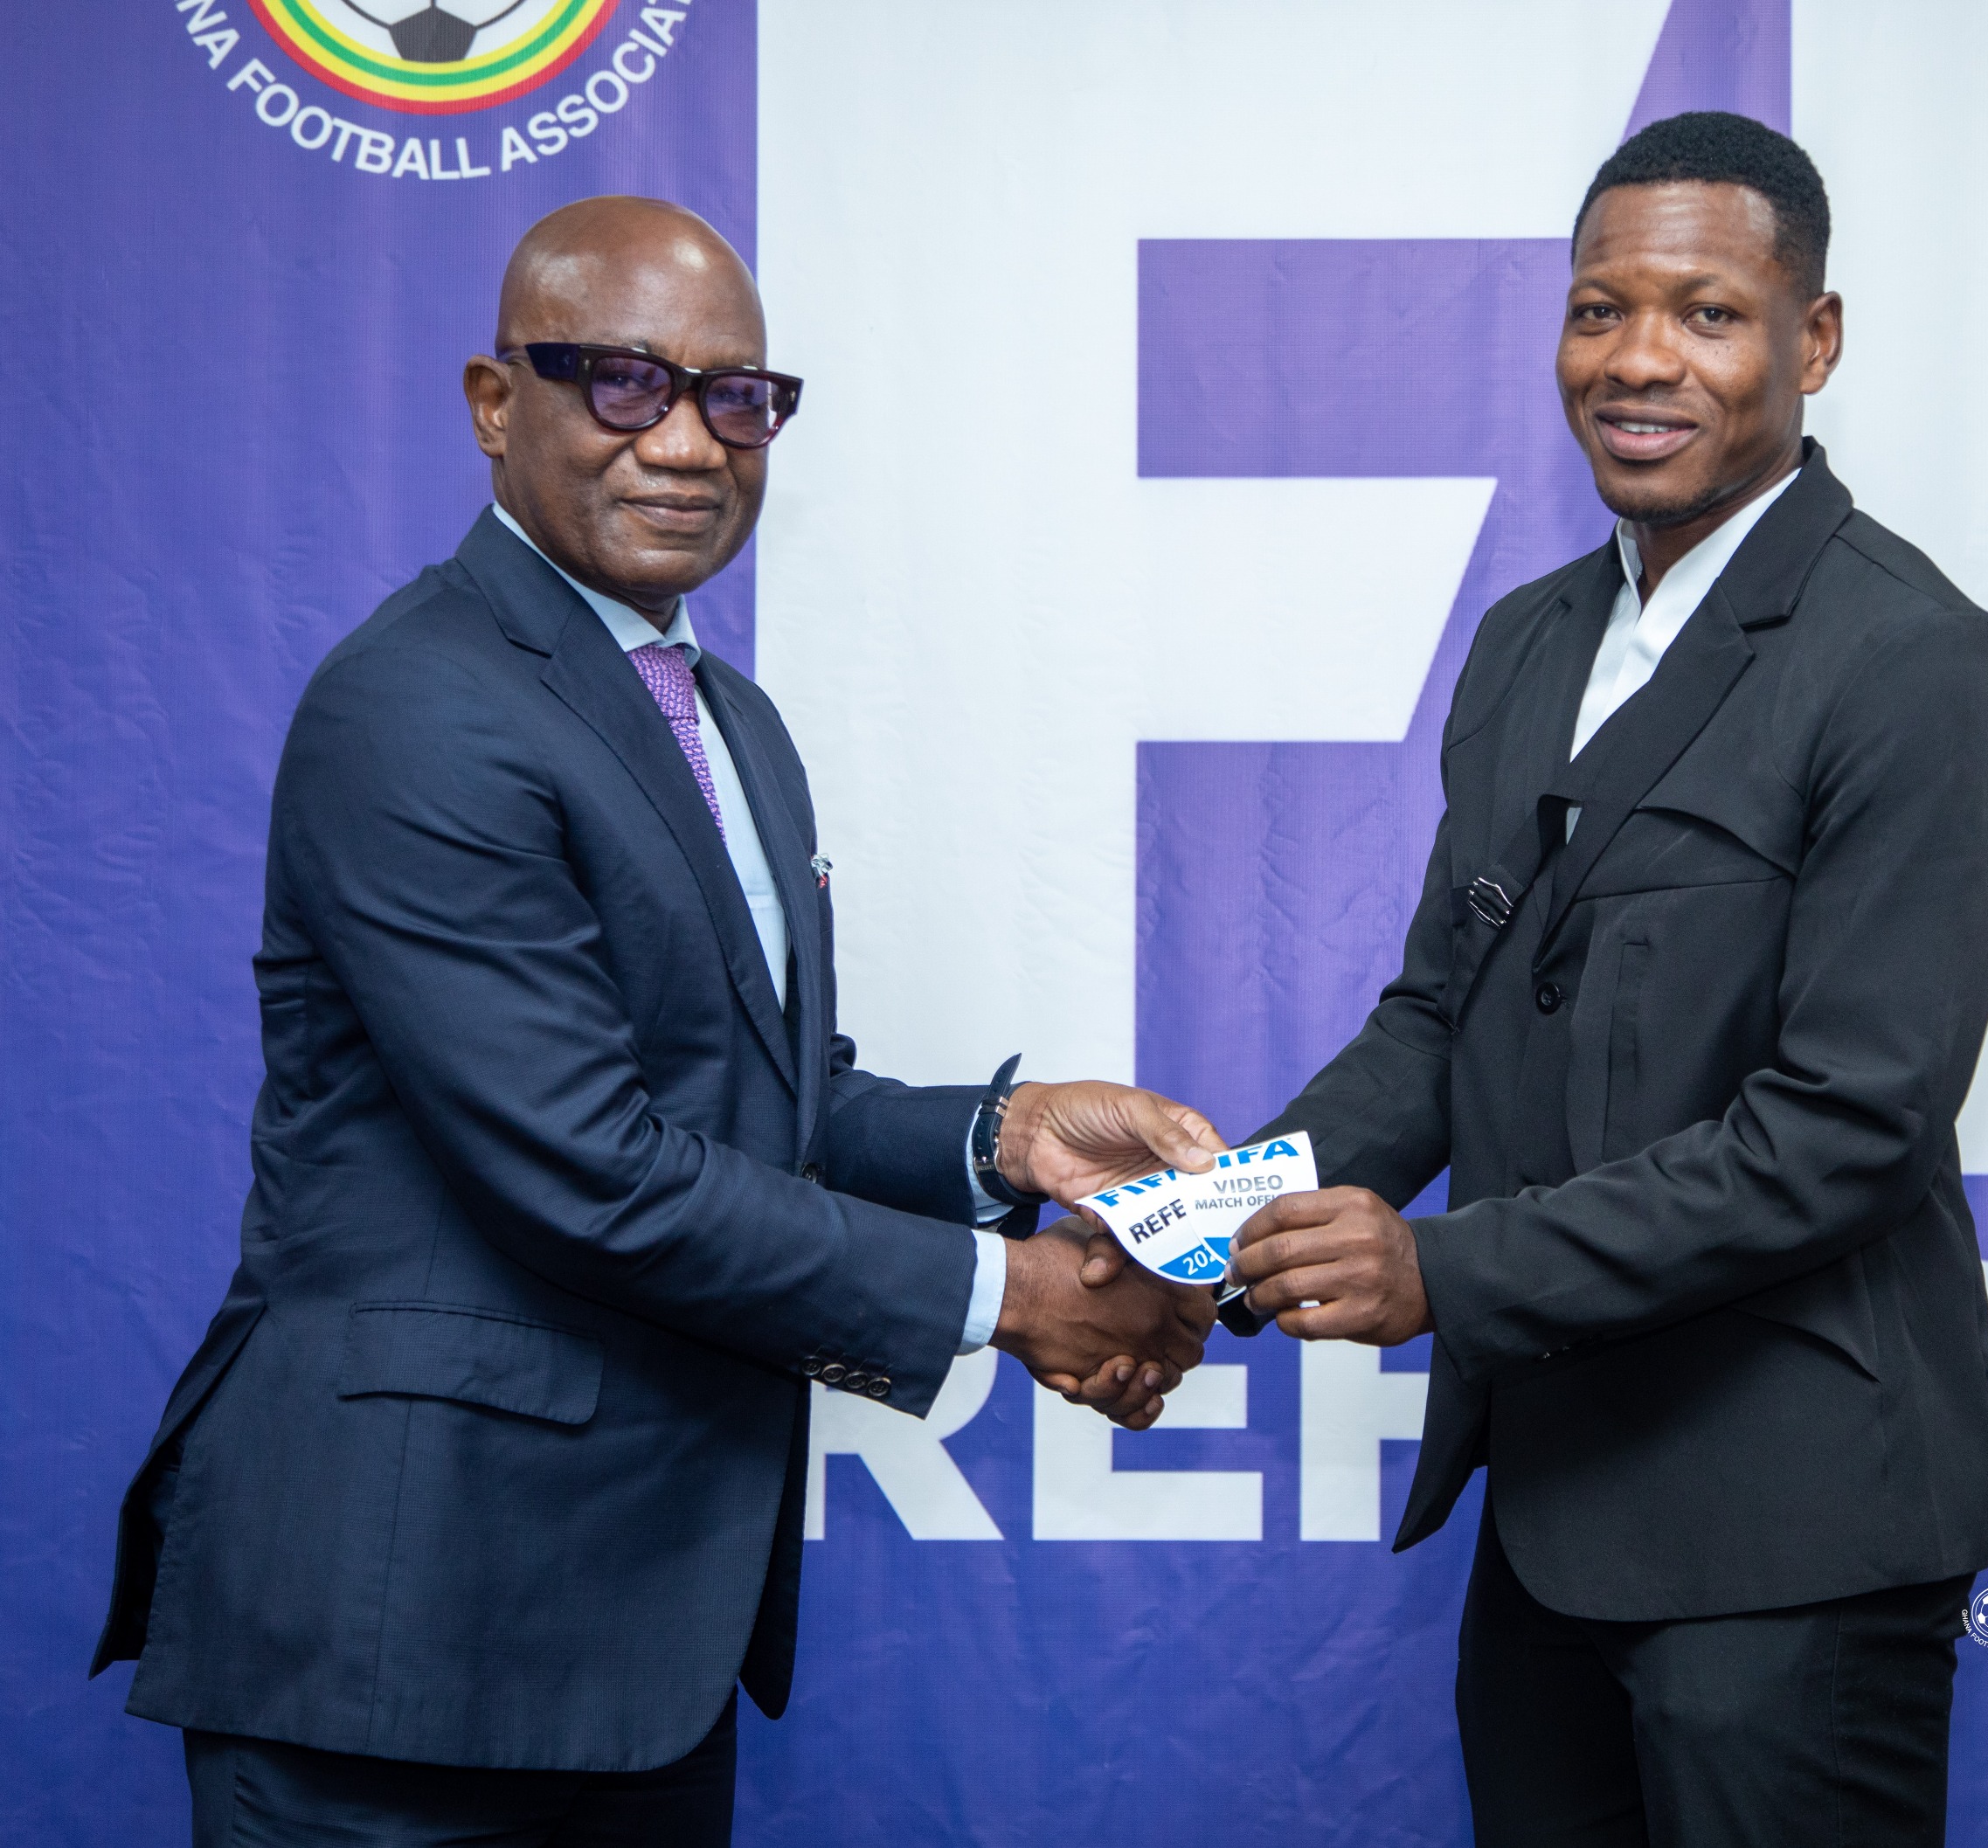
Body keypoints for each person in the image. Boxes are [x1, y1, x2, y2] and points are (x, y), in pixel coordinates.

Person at [90, 195, 1217, 1845]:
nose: (687, 443)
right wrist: (1014, 1295)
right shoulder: (417, 704)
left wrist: (1007, 1139)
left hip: (636, 1646)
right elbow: (593, 1167)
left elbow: (750, 1098)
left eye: (737, 399)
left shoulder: (725, 720)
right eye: (624, 383)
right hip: (401, 1633)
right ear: (495, 402)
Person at [1224, 112, 1988, 1845]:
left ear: (1814, 339)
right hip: (1552, 1514)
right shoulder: (1526, 638)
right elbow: (1440, 1016)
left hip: (1793, 1540)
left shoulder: (1914, 658)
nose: (1637, 360)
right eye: (1599, 311)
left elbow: (1847, 1127)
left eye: (1706, 313)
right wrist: (1203, 1230)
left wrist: (1435, 1269)